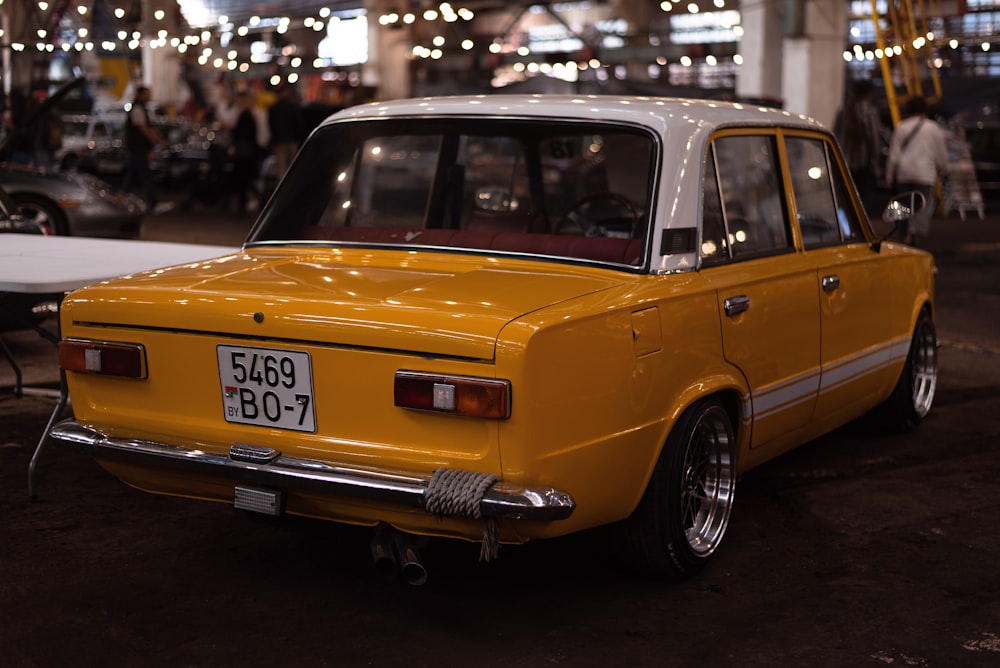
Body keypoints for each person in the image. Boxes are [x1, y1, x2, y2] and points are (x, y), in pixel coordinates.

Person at [885, 96, 950, 246]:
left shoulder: (901, 127)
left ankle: (904, 232)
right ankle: (915, 231)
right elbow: (940, 152)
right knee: (923, 204)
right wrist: (944, 169)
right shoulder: (933, 128)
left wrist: (889, 176)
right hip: (925, 173)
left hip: (904, 172)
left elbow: (893, 154)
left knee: (904, 203)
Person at [833, 79, 884, 213]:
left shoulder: (843, 110)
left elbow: (835, 135)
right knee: (863, 198)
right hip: (863, 163)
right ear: (869, 93)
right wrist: (875, 162)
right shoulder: (870, 112)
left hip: (844, 161)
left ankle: (846, 225)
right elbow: (874, 139)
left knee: (845, 197)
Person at [123, 85, 169, 212]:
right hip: (138, 148)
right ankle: (154, 203)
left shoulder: (141, 109)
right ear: (141, 95)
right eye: (147, 94)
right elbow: (144, 130)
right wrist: (158, 142)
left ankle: (121, 201)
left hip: (138, 148)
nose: (150, 97)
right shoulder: (137, 109)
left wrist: (158, 139)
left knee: (132, 178)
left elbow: (149, 128)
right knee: (145, 176)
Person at [266, 83, 306, 194]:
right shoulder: (292, 107)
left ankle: (283, 193)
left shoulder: (274, 108)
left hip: (280, 141)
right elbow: (299, 124)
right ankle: (292, 191)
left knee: (282, 170)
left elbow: (271, 125)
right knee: (292, 169)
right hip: (291, 140)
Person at [228, 90, 261, 216]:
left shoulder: (245, 115)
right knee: (246, 181)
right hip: (247, 152)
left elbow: (243, 134)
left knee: (243, 181)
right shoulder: (248, 114)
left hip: (244, 152)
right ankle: (247, 205)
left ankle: (243, 207)